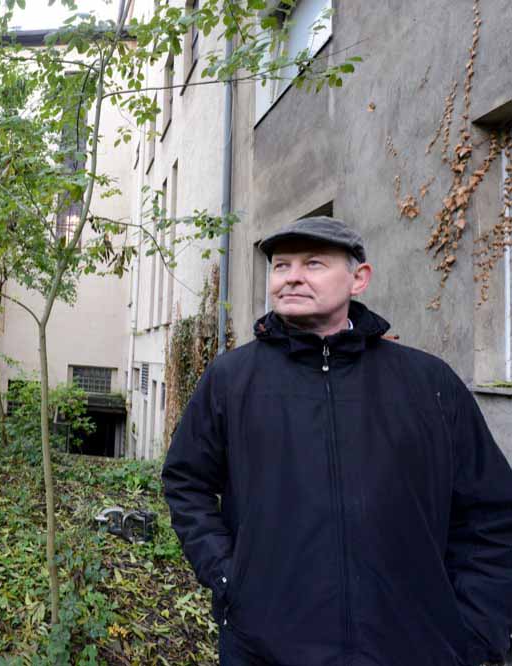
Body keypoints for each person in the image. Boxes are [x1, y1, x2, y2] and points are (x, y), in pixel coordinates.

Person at [161, 216, 512, 666]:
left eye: (313, 263)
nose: (291, 277)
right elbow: (185, 481)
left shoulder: (428, 383)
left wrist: (474, 632)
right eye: (281, 265)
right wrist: (232, 578)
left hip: (413, 647)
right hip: (266, 648)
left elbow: (491, 513)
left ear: (358, 279)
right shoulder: (232, 379)